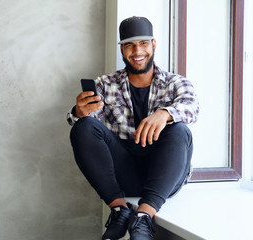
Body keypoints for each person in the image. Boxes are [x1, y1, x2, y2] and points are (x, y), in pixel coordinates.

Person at [66, 16, 199, 240]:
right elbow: (88, 129)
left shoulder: (176, 82)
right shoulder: (105, 84)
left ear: (153, 44)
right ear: (122, 49)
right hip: (124, 173)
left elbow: (192, 108)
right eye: (129, 45)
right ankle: (120, 210)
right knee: (83, 127)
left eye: (143, 43)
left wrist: (164, 113)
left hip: (164, 175)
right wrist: (79, 113)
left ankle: (144, 217)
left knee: (180, 130)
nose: (137, 51)